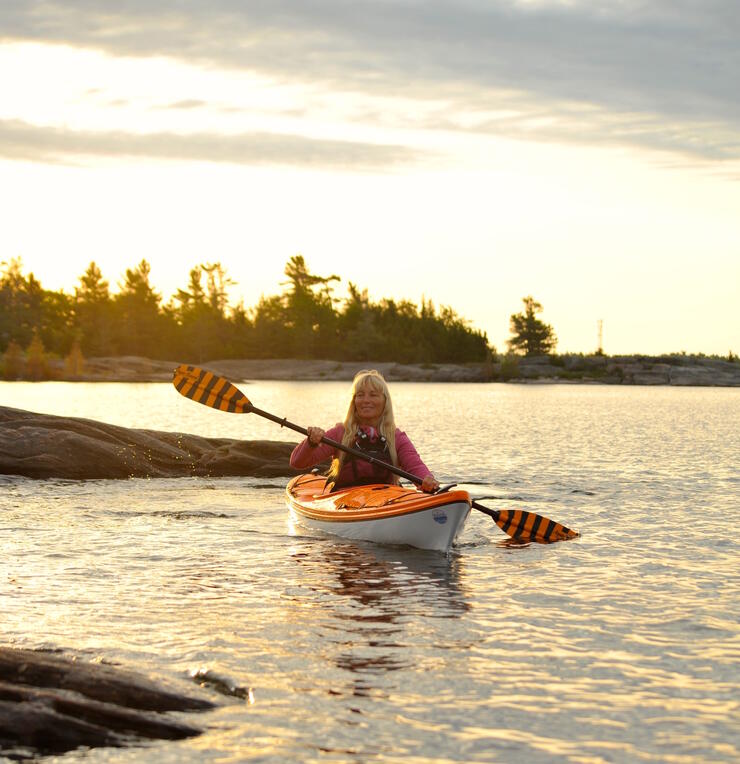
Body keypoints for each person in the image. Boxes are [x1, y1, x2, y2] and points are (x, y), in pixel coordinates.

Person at [290, 369, 440, 493]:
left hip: (386, 499)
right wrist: (311, 442)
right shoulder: (341, 433)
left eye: (373, 395)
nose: (366, 400)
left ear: (384, 401)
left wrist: (427, 481)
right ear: (354, 402)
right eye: (360, 395)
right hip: (344, 500)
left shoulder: (396, 437)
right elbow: (297, 462)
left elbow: (415, 466)